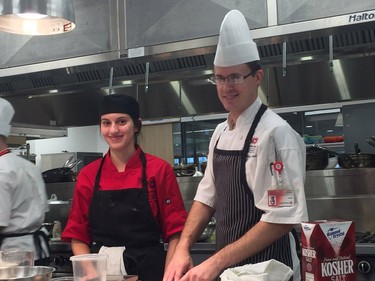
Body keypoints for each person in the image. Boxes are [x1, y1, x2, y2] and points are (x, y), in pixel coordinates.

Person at [163, 10, 308, 281]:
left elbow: (282, 218)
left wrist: (215, 262)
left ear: (257, 77)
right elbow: (207, 198)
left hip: (271, 271)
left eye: (235, 77)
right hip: (232, 272)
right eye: (219, 78)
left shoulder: (276, 134)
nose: (226, 86)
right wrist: (183, 248)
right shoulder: (220, 133)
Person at [62, 94, 188, 281]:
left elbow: (176, 231)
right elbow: (78, 234)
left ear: (136, 126)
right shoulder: (88, 175)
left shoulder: (159, 170)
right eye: (106, 123)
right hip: (103, 272)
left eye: (121, 122)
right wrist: (92, 273)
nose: (113, 130)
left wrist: (169, 276)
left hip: (150, 271)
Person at [0, 97, 51, 265]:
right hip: (39, 251)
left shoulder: (1, 170)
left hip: (13, 259)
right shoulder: (28, 166)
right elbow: (44, 209)